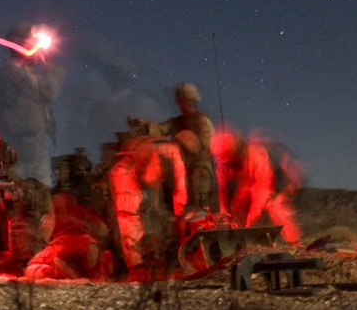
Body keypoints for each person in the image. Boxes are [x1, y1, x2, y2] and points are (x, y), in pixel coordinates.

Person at [0, 22, 66, 187]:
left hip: (28, 141)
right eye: (33, 43)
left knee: (34, 186)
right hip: (24, 143)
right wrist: (52, 67)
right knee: (34, 187)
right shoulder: (13, 69)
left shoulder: (19, 70)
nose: (38, 48)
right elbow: (48, 93)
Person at [107, 134, 187, 279]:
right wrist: (178, 216)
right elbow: (153, 180)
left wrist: (179, 214)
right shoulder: (168, 154)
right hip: (127, 169)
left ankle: (147, 262)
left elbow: (179, 189)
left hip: (138, 169)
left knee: (145, 215)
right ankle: (137, 267)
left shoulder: (172, 154)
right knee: (129, 214)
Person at [134, 83, 218, 213]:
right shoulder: (176, 121)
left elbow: (208, 147)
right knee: (170, 184)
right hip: (180, 165)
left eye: (184, 100)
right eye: (180, 101)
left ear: (191, 101)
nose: (181, 104)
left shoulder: (202, 121)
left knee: (198, 198)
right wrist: (146, 124)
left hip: (199, 166)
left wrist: (192, 154)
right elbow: (161, 129)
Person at [212, 129, 303, 245]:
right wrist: (224, 214)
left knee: (275, 206)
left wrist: (250, 224)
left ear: (239, 153)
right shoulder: (224, 162)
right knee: (236, 209)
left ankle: (295, 243)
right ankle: (240, 245)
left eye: (233, 162)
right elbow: (223, 190)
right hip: (251, 182)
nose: (230, 166)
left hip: (283, 177)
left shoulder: (257, 155)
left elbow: (262, 191)